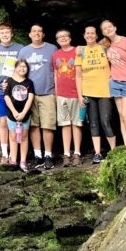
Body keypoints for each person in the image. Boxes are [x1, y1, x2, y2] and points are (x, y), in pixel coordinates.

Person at [17, 25, 58, 170]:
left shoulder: (52, 48)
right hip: (29, 94)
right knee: (33, 125)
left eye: (39, 31)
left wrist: (57, 90)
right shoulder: (24, 51)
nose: (37, 33)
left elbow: (57, 70)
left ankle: (48, 155)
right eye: (34, 31)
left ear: (43, 34)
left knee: (48, 125)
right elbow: (18, 71)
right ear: (29, 34)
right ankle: (37, 155)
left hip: (48, 92)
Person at [75, 26, 116, 164]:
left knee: (106, 121)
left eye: (92, 33)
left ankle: (114, 151)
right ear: (84, 35)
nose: (90, 35)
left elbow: (115, 64)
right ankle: (97, 153)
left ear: (97, 35)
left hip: (105, 91)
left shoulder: (104, 48)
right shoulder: (81, 51)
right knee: (93, 123)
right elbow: (78, 76)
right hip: (88, 91)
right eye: (88, 33)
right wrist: (80, 95)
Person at [0, 22, 24, 164]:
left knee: (16, 122)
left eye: (7, 32)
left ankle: (15, 155)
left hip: (16, 90)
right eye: (2, 33)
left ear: (12, 34)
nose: (5, 35)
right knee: (3, 122)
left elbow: (24, 69)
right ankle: (4, 154)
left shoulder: (20, 49)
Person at [100, 19, 126, 146]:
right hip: (115, 82)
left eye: (110, 26)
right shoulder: (105, 45)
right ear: (103, 32)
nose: (108, 29)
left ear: (115, 27)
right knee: (121, 115)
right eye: (105, 28)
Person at [51, 28, 82, 166]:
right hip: (61, 94)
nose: (63, 38)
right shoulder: (55, 54)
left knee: (77, 123)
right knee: (65, 124)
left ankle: (77, 153)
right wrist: (56, 93)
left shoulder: (77, 51)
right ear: (57, 41)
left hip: (76, 93)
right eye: (60, 37)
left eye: (65, 36)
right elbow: (55, 74)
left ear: (70, 38)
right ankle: (66, 153)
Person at [3, 59, 35, 172]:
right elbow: (6, 96)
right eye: (20, 66)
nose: (22, 69)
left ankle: (23, 161)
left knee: (24, 137)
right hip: (12, 114)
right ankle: (13, 161)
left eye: (24, 67)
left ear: (27, 69)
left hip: (25, 114)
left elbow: (30, 98)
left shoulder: (29, 83)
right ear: (15, 68)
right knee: (12, 137)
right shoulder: (9, 81)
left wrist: (23, 113)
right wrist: (14, 112)